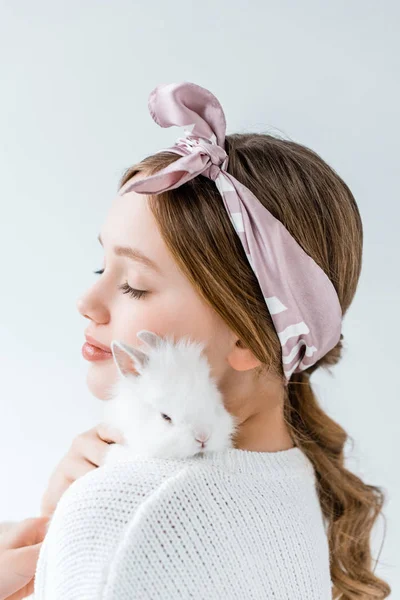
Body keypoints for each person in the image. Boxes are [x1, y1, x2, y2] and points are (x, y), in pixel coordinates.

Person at [31, 82, 390, 599]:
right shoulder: (297, 490)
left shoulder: (126, 516)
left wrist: (82, 524)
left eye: (134, 283)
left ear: (248, 335)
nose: (87, 301)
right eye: (100, 265)